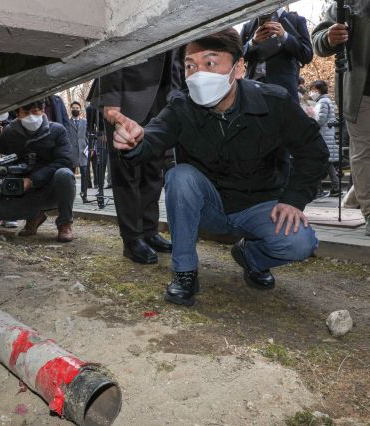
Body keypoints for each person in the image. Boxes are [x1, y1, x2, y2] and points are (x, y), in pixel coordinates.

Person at [109, 29, 329, 306]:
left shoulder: (274, 102)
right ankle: (184, 272)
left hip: (259, 207)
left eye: (210, 63)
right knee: (180, 176)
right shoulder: (181, 106)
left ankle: (252, 257)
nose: (199, 74)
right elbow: (153, 136)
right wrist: (134, 141)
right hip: (208, 209)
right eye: (190, 66)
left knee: (300, 242)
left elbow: (314, 151)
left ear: (238, 68)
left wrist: (293, 199)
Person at [96, 51, 176, 264]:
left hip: (164, 97)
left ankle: (149, 231)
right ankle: (132, 239)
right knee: (126, 172)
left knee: (153, 171)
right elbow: (115, 41)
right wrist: (111, 97)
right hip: (127, 94)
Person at [312, 1, 370, 236]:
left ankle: (359, 195)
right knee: (365, 150)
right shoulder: (349, 3)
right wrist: (330, 37)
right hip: (363, 92)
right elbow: (318, 39)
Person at [0, 99, 75, 242]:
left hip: (51, 187)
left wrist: (33, 180)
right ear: (18, 114)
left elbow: (65, 161)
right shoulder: (10, 132)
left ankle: (65, 224)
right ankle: (34, 217)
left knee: (65, 174)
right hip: (24, 192)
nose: (31, 116)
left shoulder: (57, 130)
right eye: (25, 112)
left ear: (42, 110)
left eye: (35, 111)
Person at [240, 7, 314, 102]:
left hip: (284, 92)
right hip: (252, 91)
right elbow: (235, 58)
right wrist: (252, 42)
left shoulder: (296, 20)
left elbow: (307, 55)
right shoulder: (248, 26)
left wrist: (285, 36)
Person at [310, 80, 341, 198]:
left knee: (320, 162)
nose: (312, 92)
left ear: (319, 90)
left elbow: (320, 119)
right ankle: (335, 187)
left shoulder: (322, 101)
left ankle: (319, 190)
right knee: (327, 163)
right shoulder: (326, 100)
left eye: (314, 90)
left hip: (322, 135)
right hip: (327, 135)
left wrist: (310, 119)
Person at [68, 101, 89, 202]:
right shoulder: (67, 122)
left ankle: (84, 196)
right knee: (70, 176)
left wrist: (90, 148)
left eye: (77, 108)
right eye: (74, 108)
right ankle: (71, 196)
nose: (75, 109)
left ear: (80, 110)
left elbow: (87, 135)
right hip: (71, 153)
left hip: (83, 152)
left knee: (85, 174)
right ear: (70, 109)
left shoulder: (85, 121)